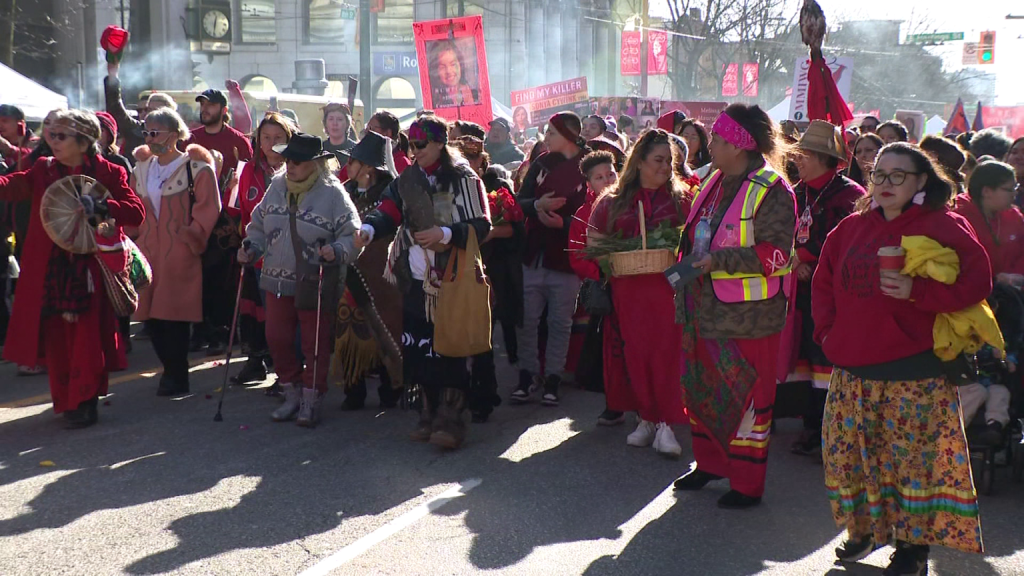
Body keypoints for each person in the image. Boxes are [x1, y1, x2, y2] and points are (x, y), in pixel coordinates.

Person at [812, 142, 987, 573]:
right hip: (852, 368)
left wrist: (919, 293)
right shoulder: (850, 229)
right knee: (850, 457)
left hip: (914, 371)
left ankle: (911, 548)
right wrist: (828, 336)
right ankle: (863, 530)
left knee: (910, 465)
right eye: (878, 175)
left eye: (898, 176)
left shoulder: (943, 225)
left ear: (921, 181)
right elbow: (823, 284)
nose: (885, 184)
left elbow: (977, 283)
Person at [672, 104, 797, 509]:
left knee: (746, 399)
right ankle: (709, 463)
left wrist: (717, 261)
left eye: (719, 140)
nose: (711, 145)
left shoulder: (773, 189)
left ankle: (746, 483)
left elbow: (777, 254)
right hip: (702, 309)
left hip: (748, 318)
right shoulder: (714, 180)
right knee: (704, 389)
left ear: (740, 145)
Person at [0, 109, 145, 427]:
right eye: (51, 135)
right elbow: (10, 186)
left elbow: (136, 211)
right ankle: (67, 400)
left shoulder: (107, 171)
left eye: (61, 136)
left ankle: (85, 400)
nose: (52, 141)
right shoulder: (43, 168)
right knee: (57, 338)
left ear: (84, 141)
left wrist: (103, 205)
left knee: (87, 337)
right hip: (51, 265)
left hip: (89, 265)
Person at [355, 115, 490, 449]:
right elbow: (388, 209)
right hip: (416, 277)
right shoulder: (407, 179)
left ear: (440, 144)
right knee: (420, 347)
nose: (414, 152)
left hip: (453, 277)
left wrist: (445, 233)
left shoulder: (464, 179)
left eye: (421, 145)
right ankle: (427, 411)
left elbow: (482, 225)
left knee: (450, 349)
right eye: (410, 146)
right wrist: (369, 229)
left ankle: (451, 418)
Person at [241, 132, 362, 428]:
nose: (290, 165)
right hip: (275, 280)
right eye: (287, 159)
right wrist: (251, 246)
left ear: (315, 164)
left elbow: (353, 235)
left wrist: (336, 251)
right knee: (277, 339)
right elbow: (257, 225)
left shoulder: (333, 194)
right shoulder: (276, 186)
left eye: (297, 160)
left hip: (315, 279)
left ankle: (312, 397)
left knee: (314, 343)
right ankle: (291, 393)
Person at [588, 130, 692, 456]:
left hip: (668, 291)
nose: (665, 167)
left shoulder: (682, 199)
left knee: (667, 355)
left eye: (669, 162)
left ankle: (667, 424)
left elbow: (698, 247)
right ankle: (646, 417)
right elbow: (594, 244)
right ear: (640, 163)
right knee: (636, 354)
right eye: (658, 161)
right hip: (628, 290)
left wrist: (679, 277)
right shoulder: (612, 201)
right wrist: (610, 266)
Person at [777, 120, 865, 458]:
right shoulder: (794, 192)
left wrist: (806, 258)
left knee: (825, 359)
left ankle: (831, 428)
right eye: (798, 154)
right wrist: (794, 260)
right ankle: (809, 425)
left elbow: (845, 239)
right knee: (800, 357)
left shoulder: (851, 196)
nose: (799, 160)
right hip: (794, 289)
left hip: (830, 293)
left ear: (830, 160)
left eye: (808, 155)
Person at [130, 108, 221, 396]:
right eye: (146, 132)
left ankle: (176, 373)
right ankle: (171, 369)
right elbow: (133, 207)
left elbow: (209, 208)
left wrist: (192, 236)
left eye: (155, 132)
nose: (149, 138)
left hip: (179, 250)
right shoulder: (142, 169)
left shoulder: (196, 168)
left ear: (174, 134)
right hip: (148, 250)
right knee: (151, 318)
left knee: (174, 316)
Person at [513, 112, 589, 407]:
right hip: (533, 255)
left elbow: (598, 211)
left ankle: (554, 376)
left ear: (569, 136)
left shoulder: (589, 166)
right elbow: (519, 202)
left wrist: (566, 224)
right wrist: (537, 204)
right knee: (527, 321)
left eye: (552, 134)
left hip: (567, 258)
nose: (546, 139)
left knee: (560, 322)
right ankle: (527, 374)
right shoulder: (540, 164)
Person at [953, 160, 1023, 444]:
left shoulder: (1014, 217)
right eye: (1010, 189)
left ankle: (1001, 422)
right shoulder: (960, 216)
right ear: (987, 191)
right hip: (968, 306)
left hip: (1009, 306)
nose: (1015, 193)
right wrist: (996, 278)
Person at [333, 131, 403, 411]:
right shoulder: (343, 192)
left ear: (369, 168)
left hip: (381, 277)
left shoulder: (392, 194)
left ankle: (391, 386)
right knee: (349, 331)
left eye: (353, 161)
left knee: (383, 328)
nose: (347, 167)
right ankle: (353, 389)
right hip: (347, 275)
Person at [189, 88, 253, 354]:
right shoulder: (190, 140)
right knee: (195, 275)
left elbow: (246, 180)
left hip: (227, 219)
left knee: (223, 278)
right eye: (203, 105)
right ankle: (198, 329)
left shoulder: (238, 142)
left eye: (211, 105)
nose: (205, 109)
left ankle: (222, 330)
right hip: (195, 213)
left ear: (223, 110)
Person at [234, 112, 296, 386]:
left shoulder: (297, 169)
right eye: (266, 138)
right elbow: (242, 212)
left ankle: (290, 375)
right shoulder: (248, 170)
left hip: (289, 257)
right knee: (258, 313)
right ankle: (256, 362)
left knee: (284, 319)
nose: (271, 144)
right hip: (257, 255)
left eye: (278, 138)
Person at [470, 164, 524, 422]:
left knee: (489, 329)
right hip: (468, 268)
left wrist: (488, 234)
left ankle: (485, 392)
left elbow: (515, 229)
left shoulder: (497, 189)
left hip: (498, 271)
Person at [104, 61, 177, 160]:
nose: (150, 114)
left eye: (157, 110)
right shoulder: (136, 130)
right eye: (148, 109)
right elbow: (115, 109)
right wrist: (113, 77)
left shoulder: (180, 137)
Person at [429, 40, 479, 108]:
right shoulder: (433, 101)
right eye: (442, 67)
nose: (448, 71)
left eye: (453, 64)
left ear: (460, 65)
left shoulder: (475, 94)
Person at [0, 104, 38, 173]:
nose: (0, 125)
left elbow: (33, 159)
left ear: (20, 123)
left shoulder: (36, 143)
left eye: (4, 121)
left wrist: (9, 149)